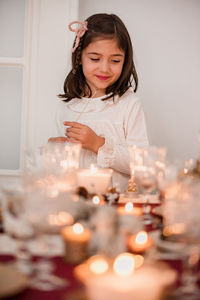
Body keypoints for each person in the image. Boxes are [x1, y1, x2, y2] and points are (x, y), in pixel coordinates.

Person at [49, 13, 149, 192]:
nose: (105, 68)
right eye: (95, 59)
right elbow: (65, 171)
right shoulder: (66, 108)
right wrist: (55, 154)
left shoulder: (128, 105)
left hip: (117, 205)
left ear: (125, 60)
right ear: (79, 57)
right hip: (77, 205)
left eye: (115, 60)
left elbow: (141, 164)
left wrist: (98, 144)